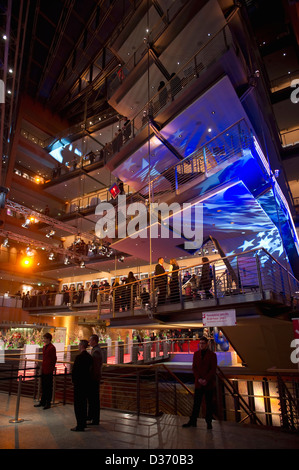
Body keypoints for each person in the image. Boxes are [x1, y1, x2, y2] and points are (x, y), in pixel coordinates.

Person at [182, 336, 217, 429]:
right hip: (199, 383)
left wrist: (206, 379)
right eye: (200, 343)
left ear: (207, 344)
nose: (201, 345)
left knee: (209, 404)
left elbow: (213, 369)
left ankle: (209, 422)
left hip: (208, 384)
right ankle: (193, 421)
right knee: (196, 403)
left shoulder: (212, 355)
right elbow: (194, 368)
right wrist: (199, 379)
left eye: (203, 343)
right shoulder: (196, 354)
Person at [71, 339, 93, 432]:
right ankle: (83, 423)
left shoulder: (79, 357)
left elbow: (75, 371)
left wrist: (74, 381)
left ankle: (80, 425)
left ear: (81, 346)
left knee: (78, 405)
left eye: (79, 344)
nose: (78, 346)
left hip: (79, 384)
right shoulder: (89, 357)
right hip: (87, 383)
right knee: (84, 404)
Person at [34, 333, 57, 410]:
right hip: (44, 369)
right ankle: (43, 401)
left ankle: (48, 403)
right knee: (43, 386)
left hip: (49, 370)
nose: (43, 339)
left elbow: (54, 359)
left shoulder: (52, 348)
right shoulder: (44, 347)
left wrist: (51, 368)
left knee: (48, 387)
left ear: (48, 339)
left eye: (45, 338)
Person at [87, 334, 103, 425]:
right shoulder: (96, 350)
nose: (89, 342)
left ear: (94, 341)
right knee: (93, 399)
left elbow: (95, 367)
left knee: (94, 399)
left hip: (94, 378)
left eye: (90, 340)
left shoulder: (96, 351)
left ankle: (94, 419)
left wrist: (92, 377)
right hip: (95, 378)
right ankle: (91, 417)